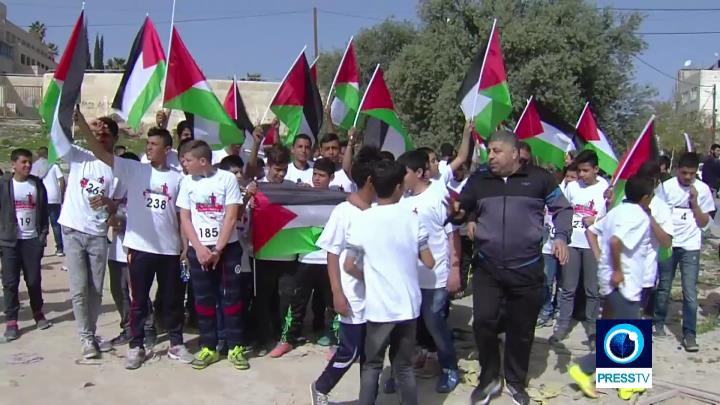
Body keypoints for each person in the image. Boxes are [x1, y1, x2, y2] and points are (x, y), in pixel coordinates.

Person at [447, 130, 572, 405]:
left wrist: (562, 237)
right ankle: (489, 377)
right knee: (483, 323)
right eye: (489, 151)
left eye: (496, 151)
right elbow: (463, 207)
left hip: (526, 268)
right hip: (487, 267)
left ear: (515, 153)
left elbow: (562, 208)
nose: (490, 155)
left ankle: (515, 381)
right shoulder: (479, 180)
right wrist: (457, 212)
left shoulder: (540, 179)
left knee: (522, 329)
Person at [77, 119, 193, 369]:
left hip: (169, 250)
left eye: (154, 144)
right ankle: (136, 345)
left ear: (167, 149)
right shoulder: (134, 169)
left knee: (172, 300)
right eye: (148, 143)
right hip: (140, 248)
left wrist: (184, 247)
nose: (149, 147)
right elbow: (100, 151)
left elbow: (183, 215)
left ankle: (175, 343)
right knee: (138, 301)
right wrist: (82, 123)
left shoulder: (179, 179)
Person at [344, 159, 435, 405]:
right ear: (398, 187)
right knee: (403, 367)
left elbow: (349, 265)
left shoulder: (362, 220)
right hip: (407, 307)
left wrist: (371, 277)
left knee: (372, 365)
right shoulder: (412, 218)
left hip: (379, 308)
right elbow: (429, 262)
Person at [569, 175, 656, 401]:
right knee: (629, 333)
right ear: (646, 198)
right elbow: (616, 241)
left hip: (613, 279)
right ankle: (586, 368)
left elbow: (592, 231)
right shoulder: (639, 217)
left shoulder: (617, 211)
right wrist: (617, 269)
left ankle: (625, 381)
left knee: (622, 329)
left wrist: (601, 259)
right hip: (624, 280)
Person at [310, 146, 383, 404]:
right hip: (351, 296)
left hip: (377, 299)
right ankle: (320, 387)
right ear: (371, 181)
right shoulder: (344, 211)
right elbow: (331, 254)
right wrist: (337, 293)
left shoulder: (380, 210)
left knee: (372, 355)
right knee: (349, 352)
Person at [177, 140, 247, 369]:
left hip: (226, 250)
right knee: (203, 300)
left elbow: (231, 215)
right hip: (201, 250)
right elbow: (185, 218)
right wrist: (197, 248)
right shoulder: (186, 182)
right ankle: (208, 346)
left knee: (231, 299)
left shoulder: (226, 179)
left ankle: (235, 346)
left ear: (202, 161)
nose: (184, 164)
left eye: (188, 160)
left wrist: (218, 249)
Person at [397, 149, 461, 393]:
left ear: (420, 173)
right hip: (408, 278)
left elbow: (452, 234)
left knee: (435, 323)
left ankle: (450, 368)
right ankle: (403, 370)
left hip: (436, 277)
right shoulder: (402, 199)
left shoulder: (439, 195)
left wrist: (455, 270)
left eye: (405, 172)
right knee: (406, 327)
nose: (401, 177)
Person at [60, 114, 119, 359]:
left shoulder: (118, 166)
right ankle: (85, 338)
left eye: (106, 134)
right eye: (97, 133)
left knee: (95, 290)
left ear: (115, 139)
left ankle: (92, 333)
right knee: (79, 289)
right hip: (73, 230)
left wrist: (108, 203)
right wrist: (80, 121)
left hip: (97, 234)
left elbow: (120, 204)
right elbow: (58, 133)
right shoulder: (77, 155)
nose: (100, 136)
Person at [275, 158, 338, 358]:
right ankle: (287, 339)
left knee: (333, 304)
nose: (317, 179)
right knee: (297, 303)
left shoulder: (339, 200)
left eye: (322, 176)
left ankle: (336, 342)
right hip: (305, 258)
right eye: (315, 175)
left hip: (328, 260)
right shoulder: (302, 196)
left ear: (332, 178)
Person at [653, 152, 714, 352]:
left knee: (690, 291)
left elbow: (706, 223)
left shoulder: (703, 190)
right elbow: (657, 213)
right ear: (677, 169)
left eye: (692, 174)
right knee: (664, 286)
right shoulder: (667, 187)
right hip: (669, 244)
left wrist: (695, 203)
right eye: (684, 173)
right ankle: (659, 322)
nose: (688, 177)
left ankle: (689, 333)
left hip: (691, 246)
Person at [551, 150, 608, 344]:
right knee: (568, 287)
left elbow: (611, 216)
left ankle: (592, 328)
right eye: (579, 171)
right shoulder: (572, 187)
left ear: (595, 169)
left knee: (592, 289)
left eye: (586, 171)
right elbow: (561, 210)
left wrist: (596, 219)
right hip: (572, 243)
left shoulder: (606, 188)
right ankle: (562, 325)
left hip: (593, 244)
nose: (582, 175)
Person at [0, 148, 51, 341]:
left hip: (32, 240)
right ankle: (11, 320)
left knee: (33, 280)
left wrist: (42, 236)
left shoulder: (37, 185)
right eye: (23, 162)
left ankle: (38, 311)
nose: (28, 165)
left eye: (29, 162)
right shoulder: (4, 185)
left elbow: (44, 211)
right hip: (10, 241)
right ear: (13, 165)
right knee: (10, 282)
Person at [538, 163, 578, 328]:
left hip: (567, 245)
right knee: (546, 281)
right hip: (548, 246)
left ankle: (559, 311)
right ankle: (545, 311)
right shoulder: (550, 191)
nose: (569, 180)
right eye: (566, 176)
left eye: (572, 177)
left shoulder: (576, 193)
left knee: (563, 283)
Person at [40, 152, 66, 257]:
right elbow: (61, 180)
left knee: (42, 225)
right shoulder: (54, 166)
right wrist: (62, 195)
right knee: (56, 224)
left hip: (42, 198)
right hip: (54, 198)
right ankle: (59, 248)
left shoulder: (38, 169)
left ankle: (40, 249)